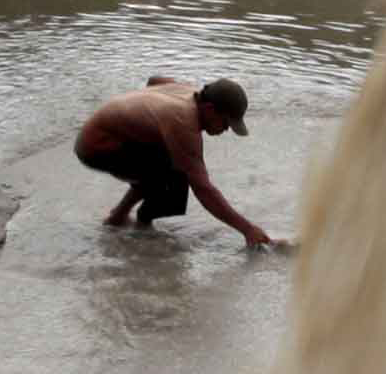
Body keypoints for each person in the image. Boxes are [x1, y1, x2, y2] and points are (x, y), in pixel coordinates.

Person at [73, 75, 281, 248]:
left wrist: (144, 115)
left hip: (107, 135)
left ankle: (119, 217)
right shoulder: (183, 121)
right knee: (177, 179)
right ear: (209, 109)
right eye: (225, 123)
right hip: (97, 147)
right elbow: (203, 189)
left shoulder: (187, 92)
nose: (226, 130)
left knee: (169, 160)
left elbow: (154, 81)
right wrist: (247, 229)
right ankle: (137, 224)